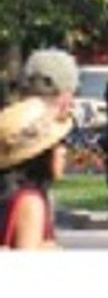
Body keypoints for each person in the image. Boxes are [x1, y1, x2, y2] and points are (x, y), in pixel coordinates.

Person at [0, 96, 72, 249]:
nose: (65, 151)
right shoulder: (30, 202)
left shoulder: (13, 195)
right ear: (40, 154)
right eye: (60, 143)